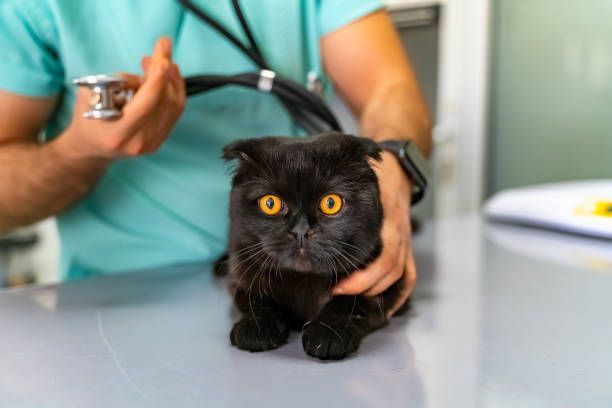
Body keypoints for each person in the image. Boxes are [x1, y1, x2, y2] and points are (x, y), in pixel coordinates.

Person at [0, 0, 431, 314]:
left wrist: (391, 175)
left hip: (311, 283)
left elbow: (389, 89)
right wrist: (80, 150)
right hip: (116, 301)